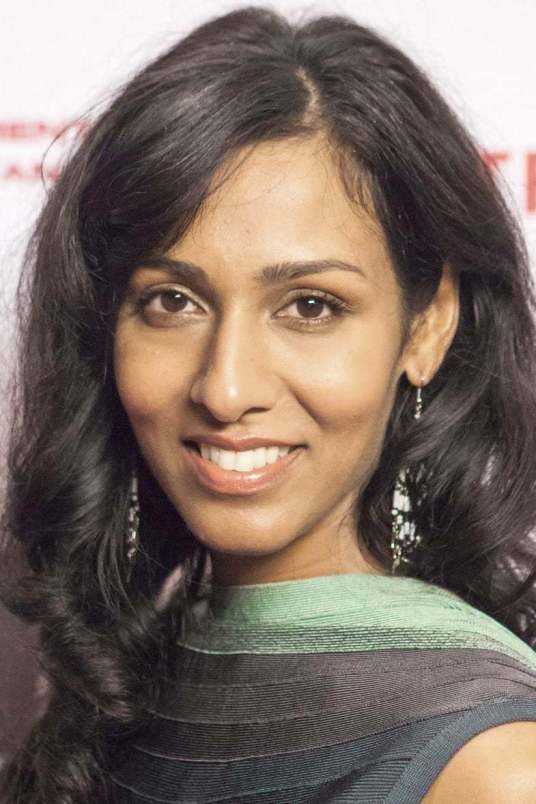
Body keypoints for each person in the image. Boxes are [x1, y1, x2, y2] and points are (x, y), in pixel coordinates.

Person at [2, 5, 536, 802]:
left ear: (427, 326)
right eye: (172, 302)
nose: (225, 389)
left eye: (310, 307)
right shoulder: (117, 690)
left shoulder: (495, 766)